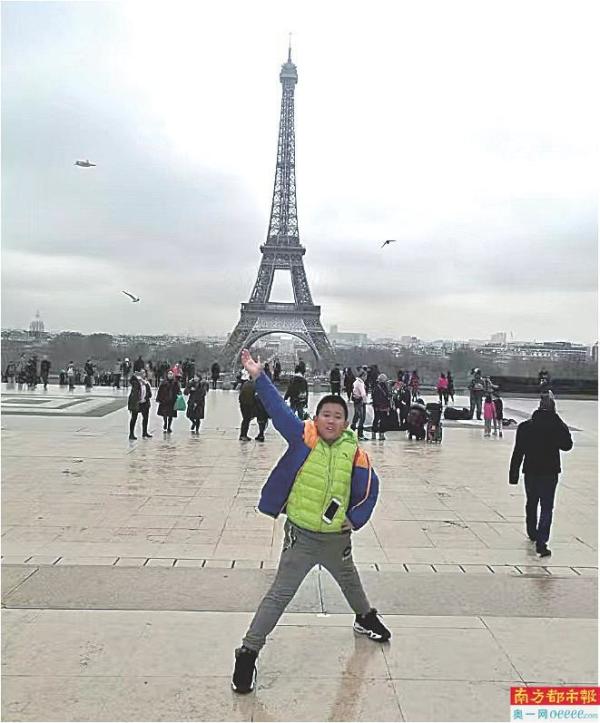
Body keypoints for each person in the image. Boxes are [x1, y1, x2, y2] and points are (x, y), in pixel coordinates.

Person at [231, 348, 390, 694]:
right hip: (301, 539)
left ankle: (365, 617)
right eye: (325, 415)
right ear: (316, 419)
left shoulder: (355, 452)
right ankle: (248, 651)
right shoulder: (303, 437)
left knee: (350, 581)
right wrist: (259, 376)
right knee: (279, 595)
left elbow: (371, 488)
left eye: (338, 416)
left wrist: (355, 519)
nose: (331, 421)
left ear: (346, 422)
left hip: (336, 538)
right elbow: (278, 410)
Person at [509, 390, 573, 557]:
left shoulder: (525, 427)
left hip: (531, 471)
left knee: (531, 502)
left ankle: (532, 532)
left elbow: (518, 452)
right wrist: (557, 420)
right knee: (546, 507)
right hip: (550, 472)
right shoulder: (556, 426)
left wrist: (513, 474)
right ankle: (542, 541)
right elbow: (567, 445)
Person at [239, 375, 268, 441]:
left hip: (244, 405)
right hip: (254, 405)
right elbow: (259, 397)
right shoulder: (258, 385)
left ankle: (243, 435)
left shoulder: (245, 384)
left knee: (246, 420)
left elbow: (240, 396)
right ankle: (261, 435)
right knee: (262, 420)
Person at [128, 369, 152, 440]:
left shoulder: (146, 383)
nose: (142, 374)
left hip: (145, 403)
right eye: (141, 373)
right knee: (134, 418)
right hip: (136, 403)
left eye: (144, 373)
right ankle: (131, 434)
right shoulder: (135, 382)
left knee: (145, 418)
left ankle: (144, 432)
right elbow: (131, 381)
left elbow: (150, 394)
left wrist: (146, 397)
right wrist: (135, 377)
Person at [371, 373, 391, 441]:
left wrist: (376, 405)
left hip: (377, 406)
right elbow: (386, 396)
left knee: (376, 419)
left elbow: (374, 397)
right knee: (383, 420)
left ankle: (373, 434)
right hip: (383, 407)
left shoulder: (375, 387)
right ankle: (381, 435)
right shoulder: (384, 387)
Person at [350, 371, 368, 441]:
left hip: (356, 400)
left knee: (356, 416)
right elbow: (363, 393)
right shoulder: (360, 383)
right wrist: (365, 401)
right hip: (360, 401)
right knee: (362, 417)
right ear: (363, 376)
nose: (366, 378)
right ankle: (360, 434)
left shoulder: (355, 382)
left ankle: (352, 431)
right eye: (365, 376)